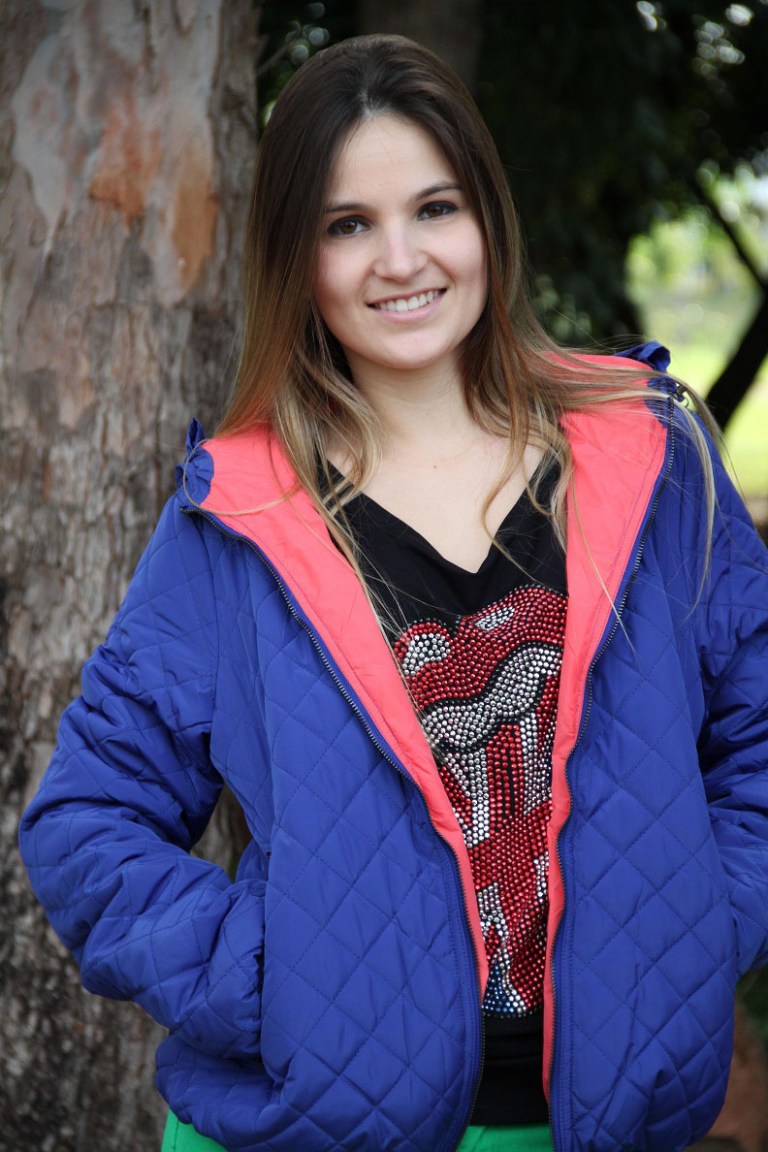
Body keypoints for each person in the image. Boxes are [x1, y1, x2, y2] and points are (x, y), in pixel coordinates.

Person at [18, 33, 768, 1152]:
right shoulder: (238, 519)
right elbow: (87, 821)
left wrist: (694, 935)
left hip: (592, 1125)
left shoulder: (651, 462)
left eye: (435, 208)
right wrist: (281, 986)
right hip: (305, 1127)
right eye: (348, 225)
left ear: (487, 220)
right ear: (297, 254)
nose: (401, 259)